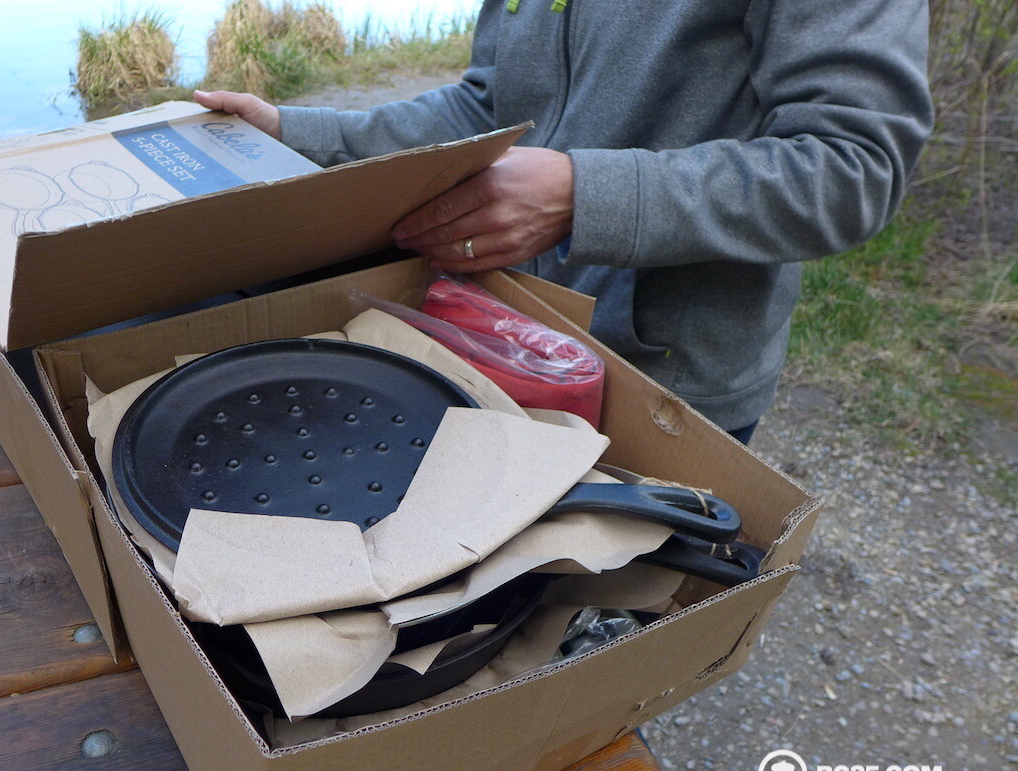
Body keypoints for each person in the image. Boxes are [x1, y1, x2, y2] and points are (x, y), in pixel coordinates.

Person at [194, 0, 933, 441]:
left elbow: (851, 167)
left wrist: (583, 193)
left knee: (613, 652)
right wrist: (300, 133)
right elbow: (488, 105)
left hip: (667, 385)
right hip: (508, 333)